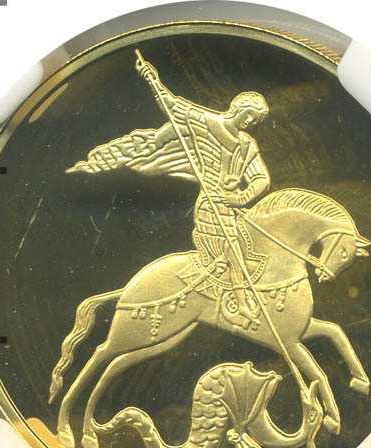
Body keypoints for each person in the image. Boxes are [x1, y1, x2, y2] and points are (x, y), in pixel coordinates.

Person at [67, 57, 271, 323]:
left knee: (250, 246)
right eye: (250, 115)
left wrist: (241, 197)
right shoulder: (205, 122)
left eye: (256, 120)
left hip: (230, 207)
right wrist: (152, 79)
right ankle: (239, 305)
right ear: (238, 108)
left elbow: (261, 179)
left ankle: (223, 293)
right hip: (210, 205)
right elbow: (172, 105)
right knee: (234, 252)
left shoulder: (247, 145)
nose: (251, 122)